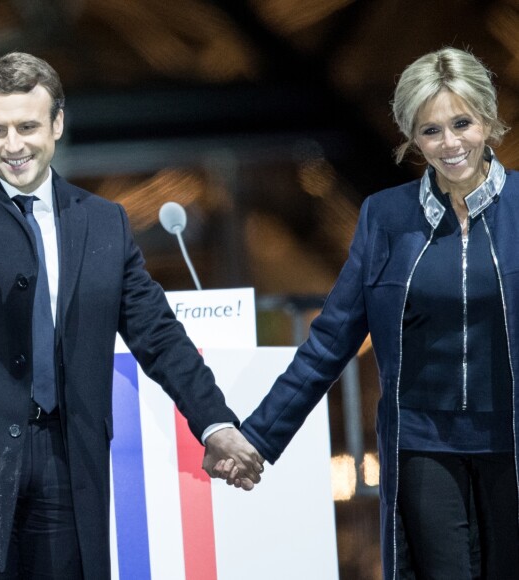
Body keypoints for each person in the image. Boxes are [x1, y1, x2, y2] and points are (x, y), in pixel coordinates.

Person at [0, 1, 263, 578]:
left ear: (57, 124)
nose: (14, 144)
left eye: (28, 126)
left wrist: (215, 424)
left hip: (70, 459)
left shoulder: (104, 222)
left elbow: (158, 335)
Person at [206, 46, 519, 579]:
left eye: (461, 123)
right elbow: (330, 340)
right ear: (411, 137)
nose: (450, 144)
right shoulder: (385, 216)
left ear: (487, 120)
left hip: (510, 441)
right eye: (430, 131)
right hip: (423, 445)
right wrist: (256, 437)